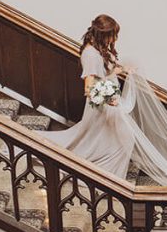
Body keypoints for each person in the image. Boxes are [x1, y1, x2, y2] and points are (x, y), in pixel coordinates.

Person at [39, 15, 134, 180]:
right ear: (102, 34)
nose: (115, 39)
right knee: (122, 139)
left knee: (116, 141)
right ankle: (108, 178)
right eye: (112, 35)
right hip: (102, 104)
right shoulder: (90, 54)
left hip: (109, 100)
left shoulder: (100, 49)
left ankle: (110, 176)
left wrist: (120, 70)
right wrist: (109, 100)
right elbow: (89, 89)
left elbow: (104, 73)